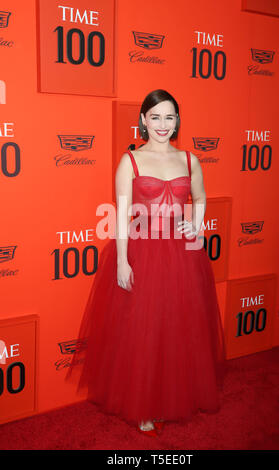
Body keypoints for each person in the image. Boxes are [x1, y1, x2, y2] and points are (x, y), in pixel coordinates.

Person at [65, 89, 227, 437]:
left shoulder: (189, 160)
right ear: (142, 120)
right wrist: (122, 261)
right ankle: (144, 404)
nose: (163, 124)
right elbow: (122, 216)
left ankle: (170, 398)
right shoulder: (131, 161)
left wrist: (195, 225)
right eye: (155, 117)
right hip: (141, 250)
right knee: (144, 330)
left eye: (169, 117)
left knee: (177, 327)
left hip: (184, 256)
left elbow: (200, 197)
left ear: (177, 121)